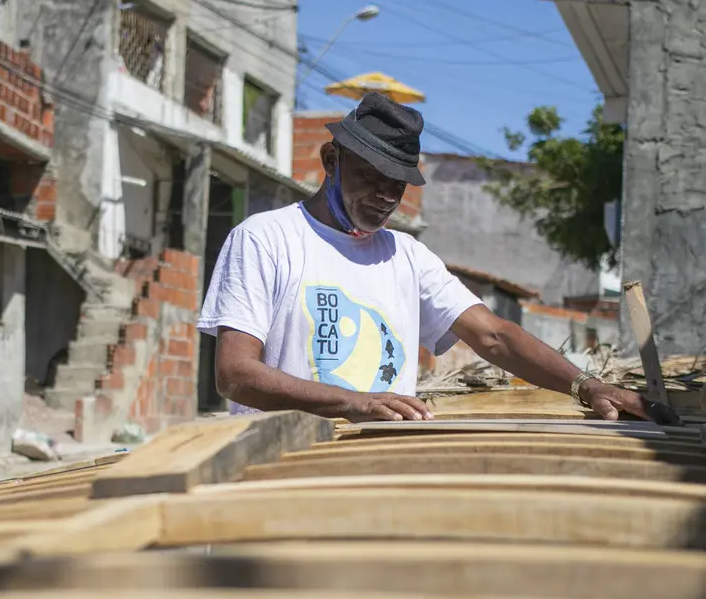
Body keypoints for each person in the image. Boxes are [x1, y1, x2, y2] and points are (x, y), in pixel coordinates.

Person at [198, 92, 655, 424]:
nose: (383, 196)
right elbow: (236, 375)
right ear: (331, 159)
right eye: (369, 176)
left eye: (396, 184)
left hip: (381, 477)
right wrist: (353, 401)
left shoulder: (406, 255)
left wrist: (586, 386)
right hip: (279, 477)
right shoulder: (265, 239)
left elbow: (494, 336)